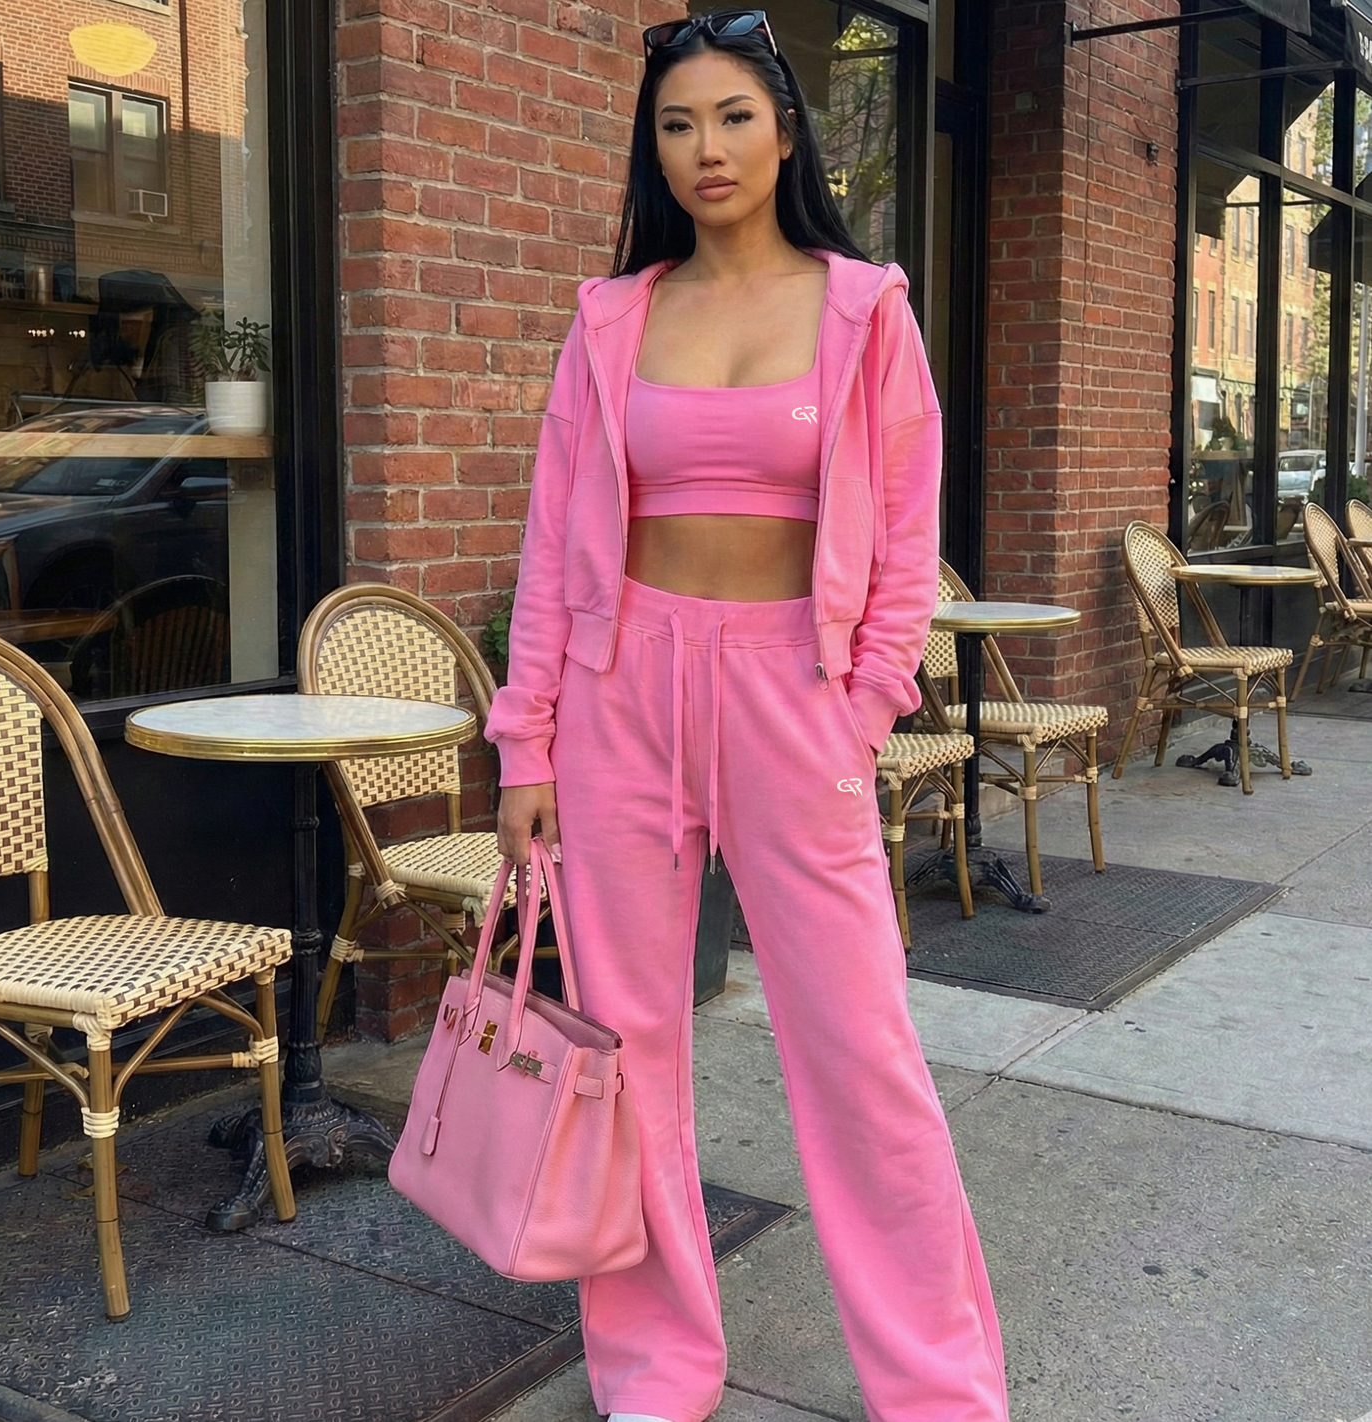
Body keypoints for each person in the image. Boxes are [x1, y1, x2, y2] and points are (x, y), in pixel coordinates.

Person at [484, 10, 1010, 1421]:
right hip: (620, 698)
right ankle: (657, 1369)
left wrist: (857, 714)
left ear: (786, 131)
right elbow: (552, 547)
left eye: (730, 116)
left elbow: (906, 545)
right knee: (628, 1050)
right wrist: (524, 740)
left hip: (793, 698)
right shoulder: (613, 318)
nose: (704, 148)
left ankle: (939, 1384)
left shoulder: (863, 309)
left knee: (861, 1054)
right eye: (675, 123)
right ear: (652, 149)